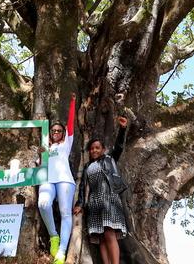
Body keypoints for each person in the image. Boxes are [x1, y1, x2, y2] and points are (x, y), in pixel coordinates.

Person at [73, 116, 129, 264]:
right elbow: (83, 188)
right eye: (92, 148)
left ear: (103, 149)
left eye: (97, 148)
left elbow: (119, 147)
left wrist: (123, 130)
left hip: (109, 200)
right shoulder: (87, 167)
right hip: (94, 203)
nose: (94, 150)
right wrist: (80, 204)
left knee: (110, 233)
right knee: (102, 237)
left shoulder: (109, 159)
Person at [38, 94, 77, 264]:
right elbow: (38, 167)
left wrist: (73, 103)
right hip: (47, 180)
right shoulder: (44, 148)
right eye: (53, 130)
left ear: (63, 133)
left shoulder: (66, 143)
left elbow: (70, 123)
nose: (56, 132)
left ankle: (61, 252)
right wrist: (39, 156)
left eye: (59, 130)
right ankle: (54, 236)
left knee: (65, 213)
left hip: (65, 180)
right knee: (43, 204)